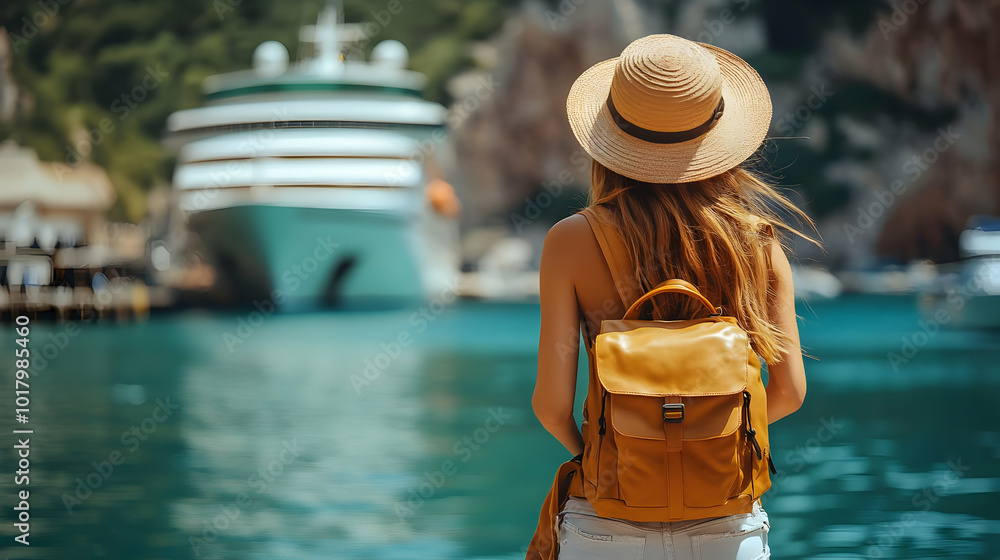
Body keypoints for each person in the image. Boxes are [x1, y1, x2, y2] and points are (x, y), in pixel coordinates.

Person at [529, 34, 813, 559]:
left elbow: (550, 407)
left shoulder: (570, 240)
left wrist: (618, 456)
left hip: (605, 523)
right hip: (727, 524)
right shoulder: (758, 244)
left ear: (610, 136)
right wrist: (707, 443)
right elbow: (790, 392)